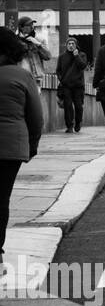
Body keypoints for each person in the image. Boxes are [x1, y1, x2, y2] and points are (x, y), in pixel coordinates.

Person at [0, 27, 44, 280]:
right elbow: (36, 118)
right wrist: (32, 146)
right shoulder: (21, 75)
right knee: (1, 199)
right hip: (10, 148)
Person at [55, 38, 88, 133]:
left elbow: (83, 66)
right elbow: (58, 70)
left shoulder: (82, 55)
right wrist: (62, 80)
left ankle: (78, 123)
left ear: (76, 45)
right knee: (68, 106)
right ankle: (69, 126)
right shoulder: (62, 57)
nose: (70, 45)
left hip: (78, 86)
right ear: (66, 45)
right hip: (66, 86)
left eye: (73, 43)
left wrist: (76, 56)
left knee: (78, 106)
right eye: (69, 43)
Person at [15, 16, 51, 81]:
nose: (32, 27)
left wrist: (38, 45)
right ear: (21, 27)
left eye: (32, 24)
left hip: (36, 78)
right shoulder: (15, 40)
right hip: (20, 77)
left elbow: (48, 57)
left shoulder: (39, 39)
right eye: (28, 25)